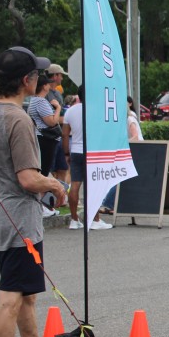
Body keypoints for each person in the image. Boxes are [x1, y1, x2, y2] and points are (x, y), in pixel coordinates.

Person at [0, 46, 72, 337]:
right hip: (19, 219)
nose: (42, 80)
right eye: (38, 75)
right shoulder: (18, 119)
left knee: (26, 296)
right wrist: (56, 185)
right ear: (26, 80)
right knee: (10, 298)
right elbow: (28, 179)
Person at [62, 86, 112, 230]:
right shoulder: (97, 110)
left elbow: (65, 134)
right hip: (93, 152)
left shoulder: (70, 111)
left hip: (76, 150)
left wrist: (66, 153)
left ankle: (74, 219)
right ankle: (95, 219)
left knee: (75, 185)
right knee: (93, 186)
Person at [27, 75, 63, 186]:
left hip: (40, 137)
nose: (50, 85)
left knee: (42, 168)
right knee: (44, 171)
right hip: (46, 139)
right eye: (48, 83)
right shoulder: (41, 102)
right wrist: (58, 108)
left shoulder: (34, 100)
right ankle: (42, 194)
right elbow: (52, 122)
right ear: (44, 86)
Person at [44, 63, 70, 182]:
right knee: (49, 171)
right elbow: (48, 118)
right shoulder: (44, 94)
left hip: (58, 136)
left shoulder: (58, 94)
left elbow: (62, 114)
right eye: (60, 75)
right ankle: (50, 193)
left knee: (63, 168)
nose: (62, 78)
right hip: (48, 137)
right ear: (54, 76)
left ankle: (61, 192)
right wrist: (66, 120)